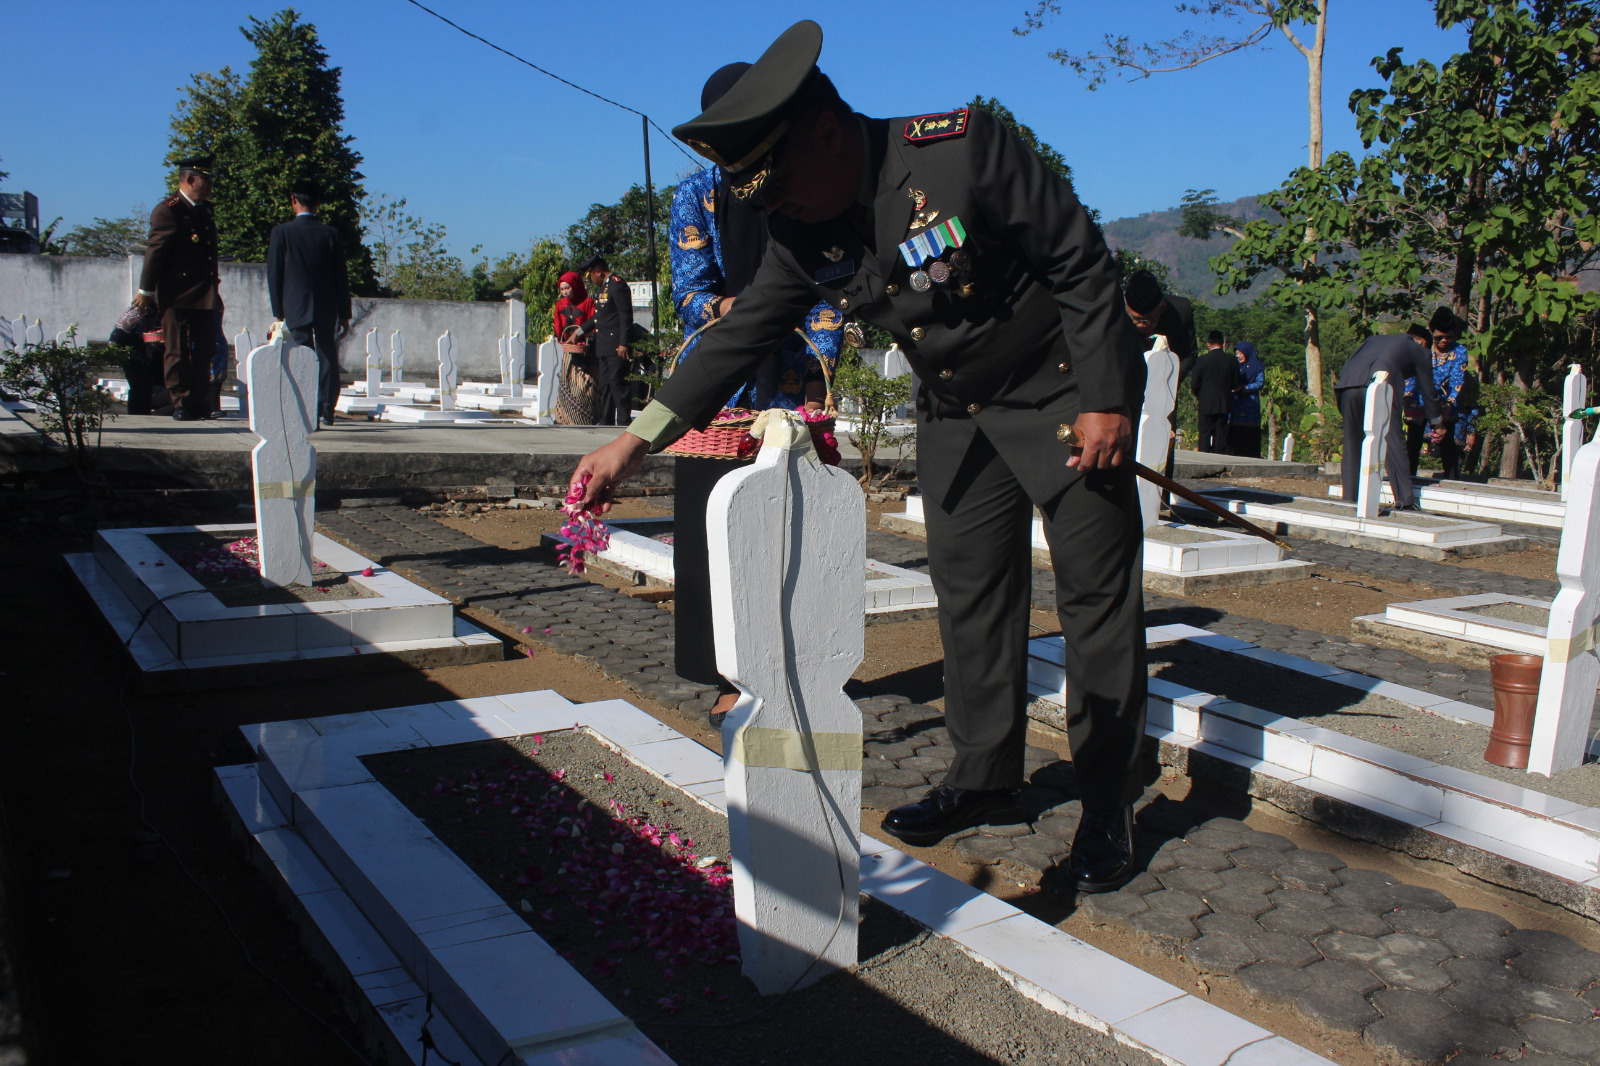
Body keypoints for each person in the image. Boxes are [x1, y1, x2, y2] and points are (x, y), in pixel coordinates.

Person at [569, 21, 1149, 893]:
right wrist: (631, 441)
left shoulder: (961, 152)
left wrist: (1106, 397)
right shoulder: (807, 229)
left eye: (782, 188)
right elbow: (734, 344)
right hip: (957, 412)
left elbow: (1078, 260)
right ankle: (984, 777)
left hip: (1065, 396)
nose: (778, 214)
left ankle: (1108, 804)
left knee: (1096, 597)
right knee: (972, 594)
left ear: (830, 133)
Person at [668, 61, 846, 723]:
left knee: (789, 538)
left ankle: (794, 668)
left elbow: (831, 292)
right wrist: (748, 316)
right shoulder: (698, 196)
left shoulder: (799, 184)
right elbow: (690, 295)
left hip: (794, 389)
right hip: (722, 391)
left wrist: (815, 356)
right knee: (715, 540)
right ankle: (726, 674)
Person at [134, 156, 221, 421]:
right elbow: (156, 252)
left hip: (204, 292)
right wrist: (146, 291)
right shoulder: (168, 209)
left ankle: (200, 401)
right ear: (190, 179)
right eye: (206, 180)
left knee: (206, 348)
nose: (209, 187)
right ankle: (180, 401)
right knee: (177, 350)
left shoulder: (204, 210)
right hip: (177, 293)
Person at [267, 182, 352, 428]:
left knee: (302, 355)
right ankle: (327, 408)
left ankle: (307, 407)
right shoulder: (330, 234)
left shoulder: (282, 232)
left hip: (294, 303)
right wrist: (344, 313)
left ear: (293, 200)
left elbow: (275, 274)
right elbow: (340, 276)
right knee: (327, 354)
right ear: (317, 204)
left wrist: (278, 312)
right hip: (326, 304)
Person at [1335, 325, 1444, 509]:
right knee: (1393, 440)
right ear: (1423, 342)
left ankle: (1350, 498)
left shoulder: (1373, 339)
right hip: (1379, 384)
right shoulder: (1419, 350)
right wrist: (1437, 423)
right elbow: (1428, 391)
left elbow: (1350, 363)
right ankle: (1404, 499)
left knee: (1352, 443)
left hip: (1348, 385)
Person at [1403, 306, 1468, 480]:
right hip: (1419, 400)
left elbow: (1457, 381)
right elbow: (1411, 375)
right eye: (1439, 337)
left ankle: (1452, 482)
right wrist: (1408, 396)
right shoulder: (1423, 348)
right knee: (1413, 443)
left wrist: (1451, 402)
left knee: (1447, 444)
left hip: (1446, 403)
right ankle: (1409, 481)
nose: (1444, 341)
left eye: (1449, 337)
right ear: (1432, 333)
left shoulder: (1459, 351)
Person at [575, 253, 635, 425]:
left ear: (598, 271)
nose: (591, 280)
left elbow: (625, 316)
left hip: (616, 344)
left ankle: (624, 419)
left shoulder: (617, 285)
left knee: (618, 383)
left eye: (591, 276)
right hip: (604, 345)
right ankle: (607, 417)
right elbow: (598, 317)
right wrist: (578, 332)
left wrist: (624, 343)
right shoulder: (604, 288)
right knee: (606, 384)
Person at [552, 271, 598, 425]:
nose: (565, 292)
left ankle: (584, 416)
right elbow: (558, 325)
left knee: (584, 385)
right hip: (568, 351)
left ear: (576, 286)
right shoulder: (560, 304)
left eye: (568, 288)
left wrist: (585, 339)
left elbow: (593, 322)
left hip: (586, 351)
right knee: (567, 382)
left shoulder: (588, 302)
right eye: (562, 289)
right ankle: (565, 417)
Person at [1190, 330, 1237, 453]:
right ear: (1223, 343)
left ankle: (1204, 455)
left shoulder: (1202, 360)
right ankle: (1218, 456)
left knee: (1205, 432)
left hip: (1206, 401)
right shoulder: (1231, 360)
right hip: (1224, 401)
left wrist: (1199, 394)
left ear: (1208, 344)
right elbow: (1236, 382)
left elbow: (1195, 382)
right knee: (1220, 432)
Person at [1229, 341, 1265, 458]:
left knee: (1249, 433)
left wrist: (1245, 388)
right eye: (1237, 353)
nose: (1238, 355)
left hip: (1250, 403)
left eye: (1241, 353)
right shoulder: (1235, 365)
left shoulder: (1257, 366)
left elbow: (1260, 383)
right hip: (1236, 403)